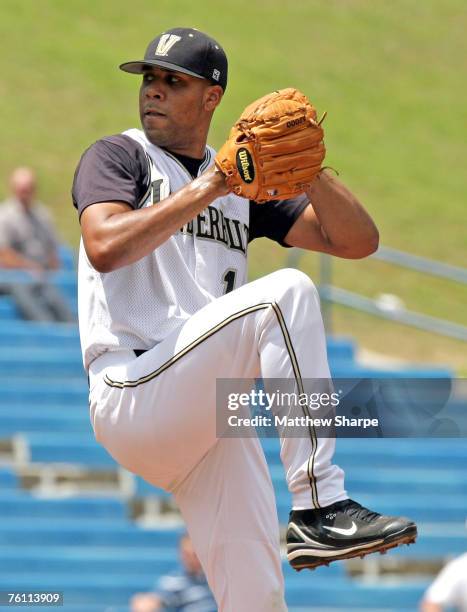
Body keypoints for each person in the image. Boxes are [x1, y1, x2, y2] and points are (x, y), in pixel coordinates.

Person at [72, 27, 417, 611]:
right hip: (132, 389)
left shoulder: (240, 180)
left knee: (258, 596)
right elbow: (104, 245)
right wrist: (211, 185)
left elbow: (359, 242)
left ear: (212, 97)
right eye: (149, 78)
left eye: (172, 80)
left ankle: (313, 516)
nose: (153, 89)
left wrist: (308, 167)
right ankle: (320, 504)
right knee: (285, 293)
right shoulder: (121, 155)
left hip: (204, 418)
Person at [0, 167, 73, 321]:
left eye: (28, 189)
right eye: (22, 189)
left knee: (53, 292)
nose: (25, 193)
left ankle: (71, 328)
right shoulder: (5, 215)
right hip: (11, 275)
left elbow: (53, 248)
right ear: (14, 189)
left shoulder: (42, 215)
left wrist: (51, 270)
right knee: (23, 288)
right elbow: (4, 255)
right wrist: (30, 267)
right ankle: (44, 329)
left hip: (40, 274)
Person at [130, 533, 216, 612]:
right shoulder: (174, 581)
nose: (190, 559)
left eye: (195, 554)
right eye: (186, 554)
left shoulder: (215, 577)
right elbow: (148, 603)